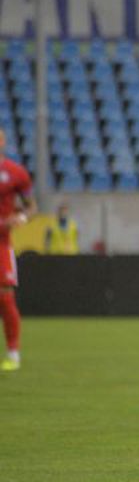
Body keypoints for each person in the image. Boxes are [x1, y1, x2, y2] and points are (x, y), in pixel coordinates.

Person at [0, 127, 35, 371]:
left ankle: (13, 353)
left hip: (2, 244)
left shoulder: (15, 173)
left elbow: (31, 207)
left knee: (5, 295)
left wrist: (21, 219)